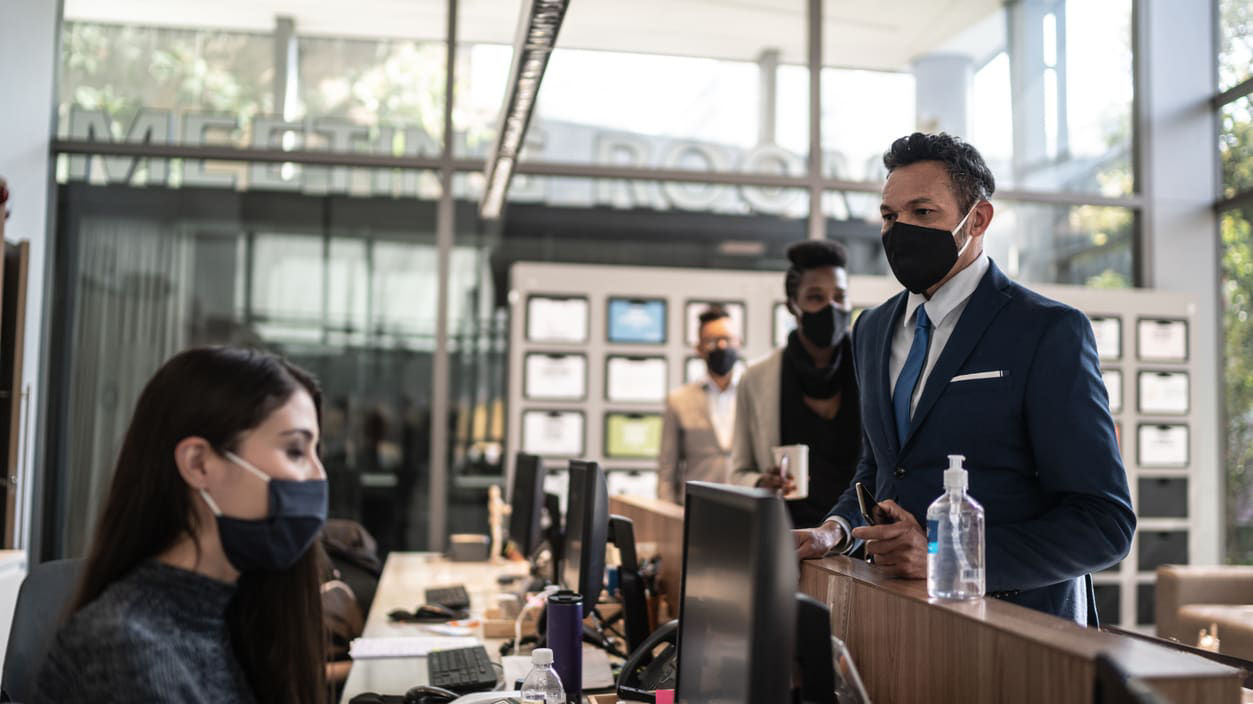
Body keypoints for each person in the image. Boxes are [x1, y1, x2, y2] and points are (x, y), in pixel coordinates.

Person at [793, 132, 1135, 624]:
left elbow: (1105, 524)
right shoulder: (870, 329)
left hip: (1019, 632)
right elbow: (879, 470)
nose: (900, 229)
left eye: (923, 212)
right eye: (890, 216)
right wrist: (834, 529)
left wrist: (951, 561)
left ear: (978, 219)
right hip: (899, 623)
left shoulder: (1046, 331)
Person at [36, 347, 329, 704]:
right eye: (296, 451)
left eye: (317, 453)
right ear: (199, 464)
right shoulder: (123, 648)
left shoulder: (231, 616)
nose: (319, 475)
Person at [731, 241, 862, 528]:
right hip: (788, 540)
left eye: (840, 297)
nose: (831, 307)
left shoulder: (871, 371)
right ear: (793, 304)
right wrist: (761, 482)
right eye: (816, 297)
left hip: (861, 542)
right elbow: (738, 471)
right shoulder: (756, 379)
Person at [657, 307, 742, 503]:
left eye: (727, 339)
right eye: (712, 341)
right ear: (699, 348)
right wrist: (668, 516)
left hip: (749, 509)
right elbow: (667, 470)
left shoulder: (754, 395)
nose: (722, 346)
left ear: (738, 343)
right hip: (698, 509)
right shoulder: (679, 400)